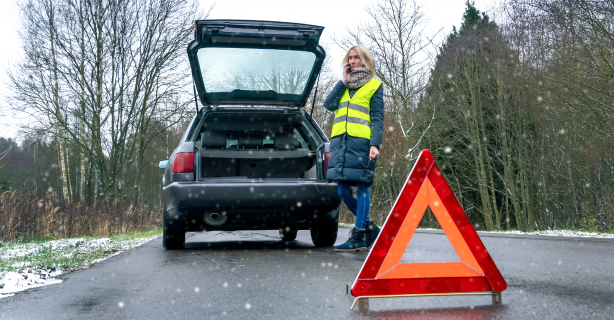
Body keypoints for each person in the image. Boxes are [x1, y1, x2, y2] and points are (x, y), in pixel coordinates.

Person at [324, 45, 384, 252]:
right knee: (342, 190)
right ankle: (370, 227)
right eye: (349, 58)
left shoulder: (375, 85)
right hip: (341, 144)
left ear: (365, 60)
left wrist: (375, 144)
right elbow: (329, 105)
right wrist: (343, 81)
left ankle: (359, 234)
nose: (352, 61)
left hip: (362, 144)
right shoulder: (344, 85)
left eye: (356, 58)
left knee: (362, 187)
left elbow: (377, 118)